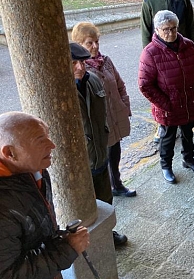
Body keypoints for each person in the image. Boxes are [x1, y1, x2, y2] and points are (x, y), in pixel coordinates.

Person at [0, 111, 90, 278]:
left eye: (48, 136)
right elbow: (8, 273)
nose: (52, 145)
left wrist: (60, 242)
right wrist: (66, 249)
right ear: (10, 153)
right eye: (40, 141)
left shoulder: (34, 169)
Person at [70, 42, 128, 247]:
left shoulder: (93, 80)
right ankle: (86, 243)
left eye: (82, 62)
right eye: (74, 63)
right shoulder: (61, 91)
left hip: (100, 153)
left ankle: (107, 233)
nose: (80, 67)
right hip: (81, 161)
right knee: (81, 207)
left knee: (105, 198)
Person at [138, 10, 194, 183]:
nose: (171, 33)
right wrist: (166, 104)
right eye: (166, 29)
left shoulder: (188, 45)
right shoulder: (150, 53)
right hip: (168, 107)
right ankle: (166, 166)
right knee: (167, 139)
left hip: (189, 101)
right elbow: (145, 85)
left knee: (188, 134)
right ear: (157, 30)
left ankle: (188, 160)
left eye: (174, 28)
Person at [140, 0, 194, 143]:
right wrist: (148, 54)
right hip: (159, 55)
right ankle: (161, 125)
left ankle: (192, 122)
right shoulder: (149, 1)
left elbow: (191, 25)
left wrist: (193, 49)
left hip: (182, 50)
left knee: (186, 87)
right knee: (160, 90)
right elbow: (146, 30)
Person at [72, 22, 135, 198]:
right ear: (79, 44)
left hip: (115, 118)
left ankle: (116, 184)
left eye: (97, 41)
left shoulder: (106, 61)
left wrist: (125, 106)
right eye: (89, 43)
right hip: (100, 126)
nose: (95, 46)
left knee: (115, 153)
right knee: (102, 158)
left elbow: (120, 85)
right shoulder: (82, 70)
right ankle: (110, 187)